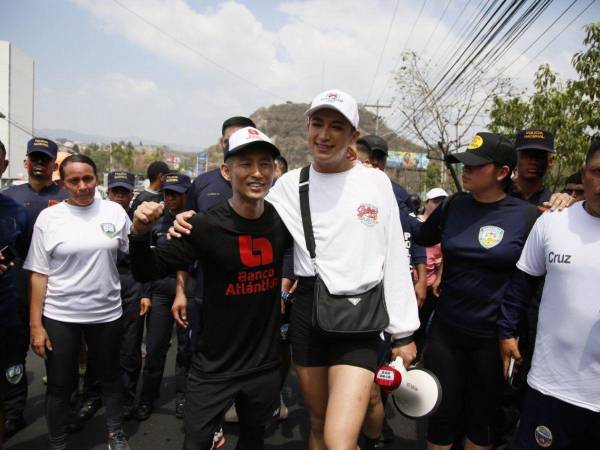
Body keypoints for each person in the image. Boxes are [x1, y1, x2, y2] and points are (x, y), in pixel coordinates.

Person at [265, 90, 419, 450]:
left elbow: (395, 255)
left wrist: (404, 331)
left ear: (353, 137)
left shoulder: (375, 182)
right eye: (317, 124)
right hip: (307, 312)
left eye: (337, 126)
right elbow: (248, 222)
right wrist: (187, 222)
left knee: (338, 439)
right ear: (306, 128)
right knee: (317, 425)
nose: (324, 134)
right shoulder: (290, 185)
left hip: (360, 319)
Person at [129, 127, 290, 450]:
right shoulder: (202, 225)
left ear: (275, 171)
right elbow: (147, 269)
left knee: (254, 439)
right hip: (213, 365)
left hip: (264, 363)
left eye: (265, 164)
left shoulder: (284, 220)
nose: (257, 173)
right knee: (196, 442)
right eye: (246, 164)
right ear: (227, 171)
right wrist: (139, 232)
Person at [411, 132, 539, 450]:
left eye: (476, 166)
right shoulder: (453, 205)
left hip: (494, 339)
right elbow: (420, 235)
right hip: (446, 332)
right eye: (464, 164)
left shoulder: (526, 217)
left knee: (480, 421)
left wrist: (566, 203)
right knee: (440, 416)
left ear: (503, 173)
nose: (466, 170)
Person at [498, 139, 600, 449]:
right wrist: (507, 334)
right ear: (584, 175)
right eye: (598, 171)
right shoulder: (553, 222)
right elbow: (521, 285)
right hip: (550, 388)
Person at [24, 154, 131, 450]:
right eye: (74, 180)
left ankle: (115, 432)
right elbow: (38, 275)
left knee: (110, 377)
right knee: (60, 383)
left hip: (106, 313)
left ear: (97, 179)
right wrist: (36, 325)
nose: (83, 186)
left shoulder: (115, 212)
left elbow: (136, 253)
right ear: (62, 183)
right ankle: (57, 442)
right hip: (61, 315)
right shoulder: (50, 218)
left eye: (88, 178)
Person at [2, 137, 69, 439]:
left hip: (56, 286)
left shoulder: (68, 197)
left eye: (46, 159)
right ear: (25, 162)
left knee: (57, 351)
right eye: (35, 158)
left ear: (54, 165)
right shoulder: (9, 197)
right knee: (13, 351)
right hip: (16, 285)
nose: (40, 164)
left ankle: (63, 408)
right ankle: (14, 411)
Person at [135, 172, 193, 422]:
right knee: (156, 347)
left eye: (176, 194)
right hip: (159, 291)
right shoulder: (156, 222)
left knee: (186, 349)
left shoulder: (193, 221)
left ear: (186, 195)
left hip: (186, 291)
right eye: (167, 193)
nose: (170, 199)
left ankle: (183, 396)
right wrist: (145, 294)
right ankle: (147, 397)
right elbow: (146, 262)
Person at [0, 140, 28, 448]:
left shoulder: (14, 210)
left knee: (11, 364)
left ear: (4, 166)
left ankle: (15, 411)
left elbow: (26, 256)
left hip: (8, 304)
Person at [413, 188, 448, 356]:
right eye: (435, 201)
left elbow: (445, 255)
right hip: (409, 285)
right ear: (426, 202)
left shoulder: (444, 227)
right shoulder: (413, 223)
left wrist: (438, 278)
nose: (438, 205)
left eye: (442, 202)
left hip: (429, 287)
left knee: (423, 327)